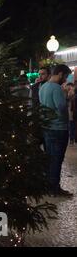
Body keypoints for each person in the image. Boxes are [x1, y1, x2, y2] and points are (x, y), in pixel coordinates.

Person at [39, 64, 73, 197]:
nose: (65, 80)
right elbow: (62, 108)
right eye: (65, 76)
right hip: (58, 128)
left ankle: (49, 186)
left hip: (47, 127)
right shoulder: (57, 89)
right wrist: (66, 96)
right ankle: (54, 188)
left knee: (50, 158)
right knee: (57, 160)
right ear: (59, 74)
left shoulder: (43, 87)